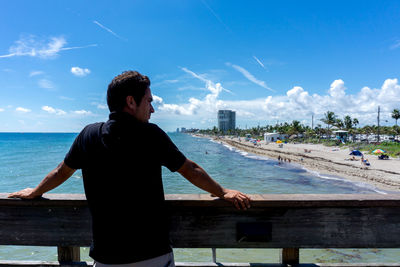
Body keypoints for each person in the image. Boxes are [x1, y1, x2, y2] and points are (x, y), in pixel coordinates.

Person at [8, 71, 251, 267]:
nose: (152, 109)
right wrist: (223, 192)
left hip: (106, 257)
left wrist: (34, 192)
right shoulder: (151, 135)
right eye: (149, 101)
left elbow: (61, 171)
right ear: (131, 101)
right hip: (152, 254)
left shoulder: (89, 134)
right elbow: (190, 169)